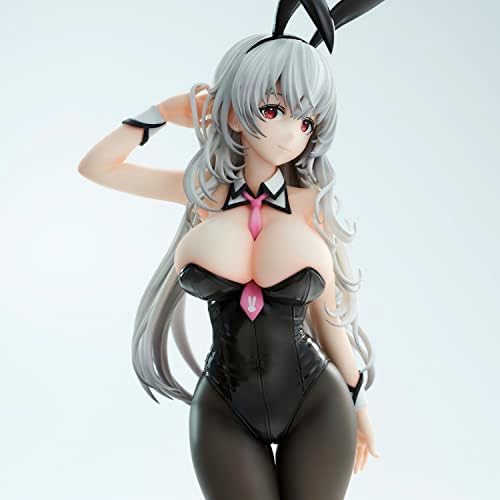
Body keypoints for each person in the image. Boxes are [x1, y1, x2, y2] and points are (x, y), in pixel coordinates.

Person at [78, 1, 384, 498]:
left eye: (307, 121)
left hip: (317, 403)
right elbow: (97, 167)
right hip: (223, 407)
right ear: (233, 114)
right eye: (273, 110)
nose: (291, 132)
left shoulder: (313, 204)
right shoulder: (203, 194)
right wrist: (160, 114)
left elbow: (328, 319)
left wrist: (360, 404)